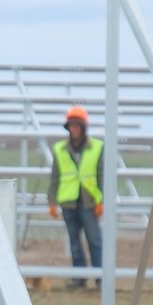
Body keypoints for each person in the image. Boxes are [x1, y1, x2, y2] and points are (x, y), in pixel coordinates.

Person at [48, 105, 104, 289]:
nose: (75, 129)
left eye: (78, 125)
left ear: (83, 127)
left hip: (89, 201)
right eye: (72, 126)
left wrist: (101, 200)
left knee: (94, 240)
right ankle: (79, 278)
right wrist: (52, 201)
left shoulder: (97, 147)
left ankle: (100, 277)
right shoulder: (59, 149)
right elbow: (55, 176)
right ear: (68, 127)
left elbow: (102, 174)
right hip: (69, 201)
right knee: (74, 242)